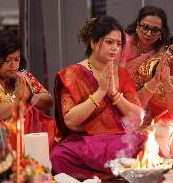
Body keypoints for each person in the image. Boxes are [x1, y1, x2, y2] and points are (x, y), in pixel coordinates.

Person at [51, 16, 145, 180]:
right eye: (109, 42)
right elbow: (71, 121)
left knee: (149, 146)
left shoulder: (121, 73)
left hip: (120, 140)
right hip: (86, 142)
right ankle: (117, 175)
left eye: (119, 43)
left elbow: (138, 118)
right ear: (93, 43)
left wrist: (115, 94)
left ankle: (108, 176)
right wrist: (100, 92)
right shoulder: (72, 74)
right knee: (58, 157)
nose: (115, 48)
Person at [0, 29, 58, 151]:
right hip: (2, 140)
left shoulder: (23, 77)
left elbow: (49, 101)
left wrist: (30, 97)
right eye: (8, 60)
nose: (13, 65)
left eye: (17, 59)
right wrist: (18, 102)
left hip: (28, 135)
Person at [118, 5, 170, 74]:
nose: (148, 34)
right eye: (145, 27)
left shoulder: (163, 52)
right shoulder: (123, 43)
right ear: (137, 25)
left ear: (161, 32)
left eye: (155, 30)